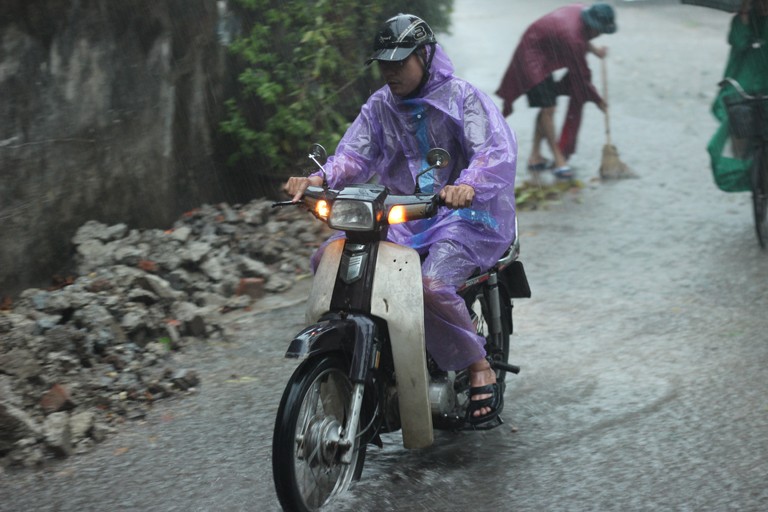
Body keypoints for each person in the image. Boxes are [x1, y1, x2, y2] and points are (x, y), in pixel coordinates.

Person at [284, 14, 518, 426]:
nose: (390, 71)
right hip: (404, 215)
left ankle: (476, 362)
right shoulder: (379, 106)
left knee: (429, 285)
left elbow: (493, 152)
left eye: (400, 61)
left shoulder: (463, 98)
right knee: (330, 259)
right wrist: (319, 179)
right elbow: (354, 156)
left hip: (465, 216)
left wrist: (467, 185)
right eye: (384, 63)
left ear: (425, 56)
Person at [495, 3, 617, 179]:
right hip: (531, 55)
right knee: (548, 108)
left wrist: (594, 50)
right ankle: (559, 159)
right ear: (592, 26)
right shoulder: (573, 38)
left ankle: (535, 156)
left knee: (547, 106)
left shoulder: (581, 12)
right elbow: (581, 75)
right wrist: (598, 100)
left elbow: (583, 36)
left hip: (544, 50)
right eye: (599, 31)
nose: (600, 34)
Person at [707, 0, 768, 192]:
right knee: (737, 126)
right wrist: (743, 16)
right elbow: (738, 42)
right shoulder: (742, 21)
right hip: (744, 84)